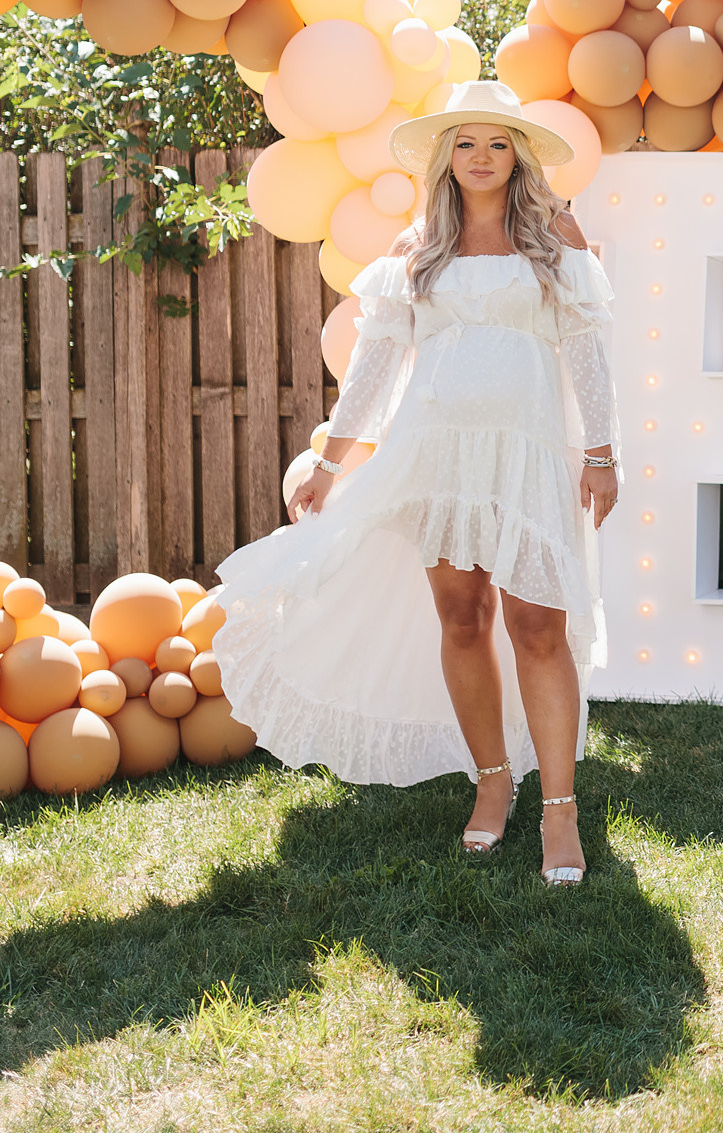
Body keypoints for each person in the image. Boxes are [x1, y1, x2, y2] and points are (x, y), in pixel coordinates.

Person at [212, 79, 620, 887]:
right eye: (465, 143)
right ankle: (493, 781)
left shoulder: (554, 235)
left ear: (518, 156)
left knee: (539, 625)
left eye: (497, 144)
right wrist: (331, 465)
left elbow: (588, 349)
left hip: (527, 456)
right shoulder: (414, 250)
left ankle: (561, 811)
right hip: (435, 457)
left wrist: (601, 453)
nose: (480, 158)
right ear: (445, 157)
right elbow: (371, 372)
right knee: (463, 617)